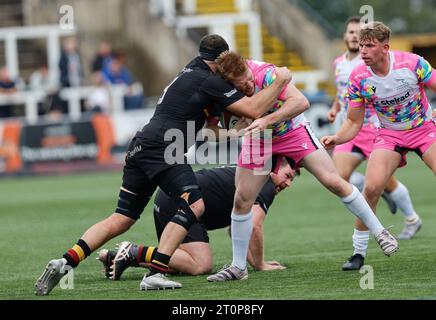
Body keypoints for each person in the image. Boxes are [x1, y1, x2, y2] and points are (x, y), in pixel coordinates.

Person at [35, 34, 293, 295]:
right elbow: (253, 108)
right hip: (163, 148)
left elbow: (213, 130)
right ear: (218, 61)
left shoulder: (191, 72)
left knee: (121, 218)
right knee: (195, 203)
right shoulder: (211, 80)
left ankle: (65, 261)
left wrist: (235, 130)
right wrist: (281, 79)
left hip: (141, 144)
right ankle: (156, 273)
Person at [207, 51, 399, 282]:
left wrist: (267, 119)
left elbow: (301, 102)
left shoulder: (266, 74)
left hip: (292, 132)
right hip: (260, 140)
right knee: (242, 199)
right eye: (242, 84)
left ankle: (380, 232)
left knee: (334, 181)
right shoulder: (224, 90)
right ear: (229, 83)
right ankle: (239, 267)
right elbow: (216, 129)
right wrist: (236, 127)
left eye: (249, 79)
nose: (249, 84)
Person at [321, 22, 436, 262]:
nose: (362, 51)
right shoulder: (358, 77)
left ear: (385, 47)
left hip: (423, 129)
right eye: (361, 45)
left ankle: (412, 218)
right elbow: (353, 122)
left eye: (369, 45)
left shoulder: (412, 63)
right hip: (390, 134)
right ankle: (358, 253)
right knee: (371, 189)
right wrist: (336, 137)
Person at [96, 164, 296, 281]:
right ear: (274, 168)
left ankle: (121, 258)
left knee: (184, 263)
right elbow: (253, 226)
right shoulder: (265, 184)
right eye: (288, 175)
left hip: (172, 197)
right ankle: (132, 251)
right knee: (200, 264)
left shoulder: (254, 174)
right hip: (180, 202)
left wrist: (250, 263)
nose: (288, 183)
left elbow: (237, 229)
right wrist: (260, 265)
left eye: (293, 179)